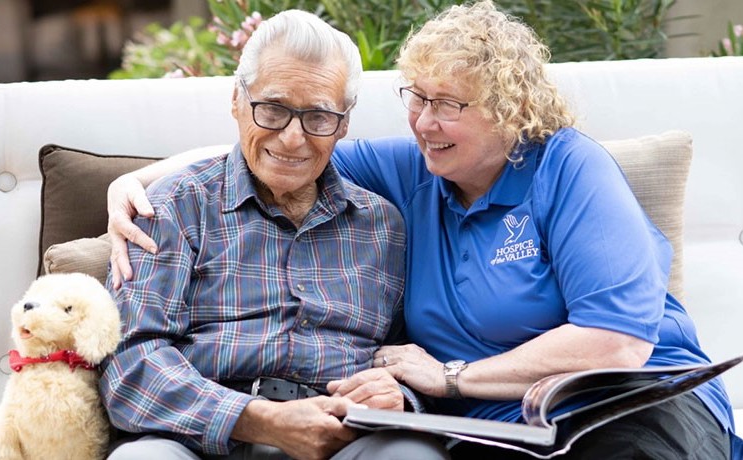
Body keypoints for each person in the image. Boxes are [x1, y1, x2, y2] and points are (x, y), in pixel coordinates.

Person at [107, 2, 741, 459]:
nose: (423, 121)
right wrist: (131, 184)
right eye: (417, 97)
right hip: (502, 427)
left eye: (448, 105)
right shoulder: (410, 171)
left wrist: (446, 379)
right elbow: (275, 149)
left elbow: (617, 345)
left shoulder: (565, 167)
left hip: (627, 402)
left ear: (509, 112)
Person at [99, 9, 451, 460]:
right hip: (200, 440)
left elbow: (406, 358)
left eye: (319, 117)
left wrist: (400, 399)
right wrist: (258, 419)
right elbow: (130, 363)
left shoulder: (385, 227)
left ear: (344, 123)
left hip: (345, 442)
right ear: (236, 101)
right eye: (272, 109)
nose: (291, 138)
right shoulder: (172, 206)